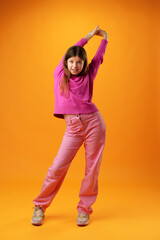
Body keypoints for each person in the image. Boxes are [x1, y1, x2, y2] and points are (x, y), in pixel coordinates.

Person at [31, 25, 108, 226]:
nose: (75, 65)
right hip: (72, 127)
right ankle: (39, 206)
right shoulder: (59, 75)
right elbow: (72, 49)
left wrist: (104, 39)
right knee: (57, 167)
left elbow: (98, 58)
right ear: (66, 62)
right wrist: (88, 36)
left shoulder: (88, 75)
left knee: (92, 169)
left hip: (94, 123)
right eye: (72, 61)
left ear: (84, 64)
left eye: (79, 62)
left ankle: (84, 210)